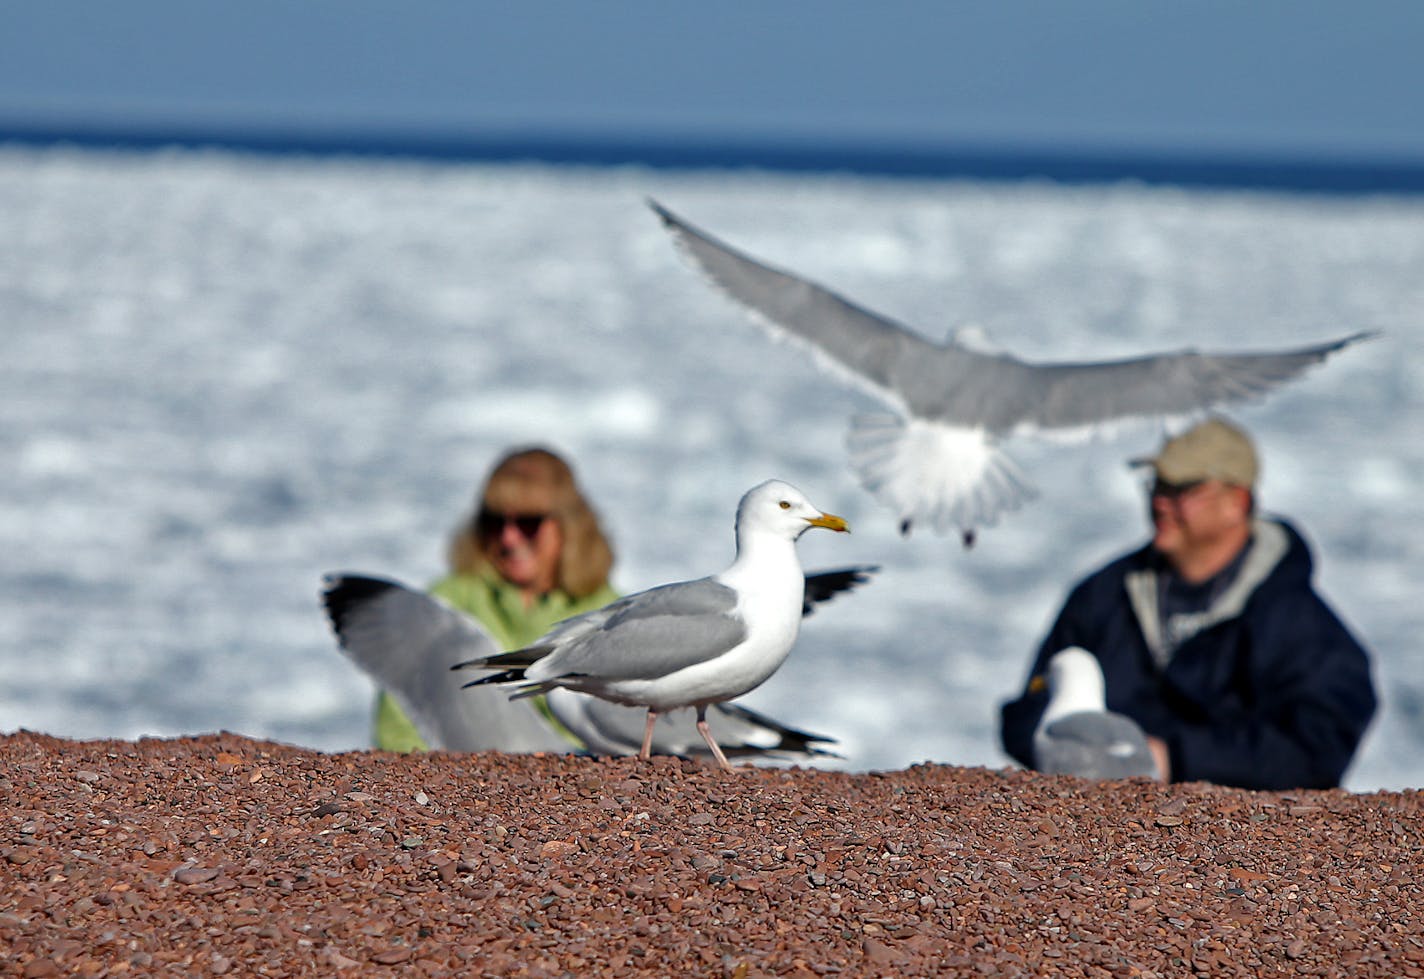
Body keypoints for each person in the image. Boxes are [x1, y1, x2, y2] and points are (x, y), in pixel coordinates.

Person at [999, 417, 1376, 790]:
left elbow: (1319, 746)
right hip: (1093, 828)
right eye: (1157, 486)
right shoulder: (1104, 595)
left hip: (1238, 839)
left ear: (1236, 502)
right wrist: (1082, 755)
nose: (1161, 502)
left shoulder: (1298, 624)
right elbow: (1026, 712)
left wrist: (1170, 759)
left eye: (1182, 489)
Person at [374, 446, 619, 752]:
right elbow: (399, 724)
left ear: (569, 526)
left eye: (528, 523)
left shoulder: (611, 618)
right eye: (495, 521)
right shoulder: (446, 605)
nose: (509, 538)